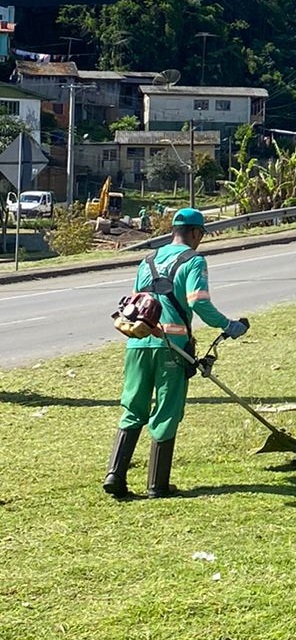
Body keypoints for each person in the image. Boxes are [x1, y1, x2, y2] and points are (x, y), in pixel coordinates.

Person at [103, 208, 249, 499]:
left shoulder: (147, 261)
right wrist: (229, 325)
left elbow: (135, 304)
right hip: (171, 347)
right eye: (201, 235)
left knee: (133, 408)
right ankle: (157, 485)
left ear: (173, 231)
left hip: (137, 343)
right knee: (167, 411)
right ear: (196, 233)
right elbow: (199, 303)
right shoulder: (194, 261)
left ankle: (114, 476)